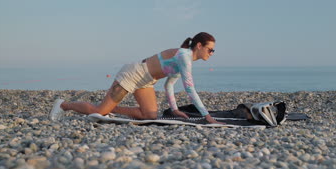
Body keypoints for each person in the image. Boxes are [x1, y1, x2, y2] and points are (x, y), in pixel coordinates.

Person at [49, 32, 223, 124]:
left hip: (146, 82)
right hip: (133, 74)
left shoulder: (185, 60)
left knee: (150, 115)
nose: (212, 53)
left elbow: (169, 85)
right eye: (210, 49)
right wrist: (206, 115)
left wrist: (175, 109)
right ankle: (63, 105)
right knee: (100, 111)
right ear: (199, 46)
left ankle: (112, 109)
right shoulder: (184, 56)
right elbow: (189, 88)